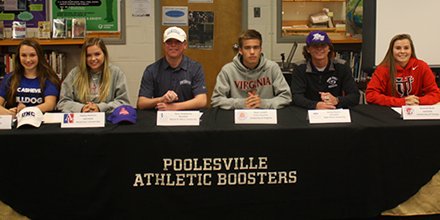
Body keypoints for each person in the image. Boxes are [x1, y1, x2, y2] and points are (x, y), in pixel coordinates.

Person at [211, 29, 291, 109]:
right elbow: (216, 100)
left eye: (256, 47)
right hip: (238, 116)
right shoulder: (228, 70)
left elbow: (286, 97)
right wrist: (241, 103)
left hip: (265, 115)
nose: (252, 52)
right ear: (240, 51)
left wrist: (263, 103)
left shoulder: (272, 67)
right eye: (247, 48)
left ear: (260, 49)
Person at [137, 26, 207, 110]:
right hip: (161, 116)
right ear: (164, 45)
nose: (173, 45)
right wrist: (161, 99)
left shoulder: (195, 68)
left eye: (177, 42)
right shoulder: (152, 70)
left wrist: (174, 107)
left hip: (188, 117)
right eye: (169, 42)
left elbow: (202, 100)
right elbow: (141, 103)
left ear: (185, 45)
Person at [57, 37, 130, 113]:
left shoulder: (116, 73)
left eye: (97, 54)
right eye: (88, 55)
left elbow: (123, 102)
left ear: (104, 54)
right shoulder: (74, 74)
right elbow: (63, 102)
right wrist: (81, 108)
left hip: (107, 120)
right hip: (81, 119)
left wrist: (100, 107)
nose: (93, 59)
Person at [290, 31, 360, 109]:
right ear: (308, 49)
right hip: (308, 111)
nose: (319, 49)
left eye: (323, 45)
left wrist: (337, 100)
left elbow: (355, 96)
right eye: (315, 46)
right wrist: (316, 105)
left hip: (335, 111)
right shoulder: (300, 68)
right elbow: (296, 97)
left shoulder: (342, 67)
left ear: (329, 48)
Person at [366, 34, 440, 106]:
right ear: (392, 51)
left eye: (406, 48)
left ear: (411, 50)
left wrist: (418, 101)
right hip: (390, 111)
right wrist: (401, 102)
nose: (402, 51)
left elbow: (435, 94)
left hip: (416, 110)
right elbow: (370, 95)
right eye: (398, 48)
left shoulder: (422, 66)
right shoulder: (382, 69)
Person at [0, 39, 60, 115]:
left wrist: (25, 111)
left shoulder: (49, 78)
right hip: (15, 121)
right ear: (18, 57)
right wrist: (10, 113)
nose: (28, 60)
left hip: (40, 122)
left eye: (32, 55)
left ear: (39, 56)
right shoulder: (10, 78)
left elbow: (50, 105)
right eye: (23, 55)